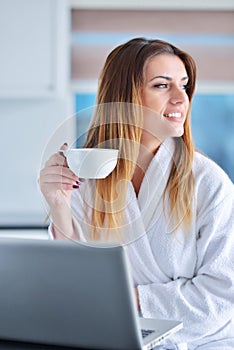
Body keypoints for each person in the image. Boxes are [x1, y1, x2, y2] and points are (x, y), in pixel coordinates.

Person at [39, 38, 234, 349]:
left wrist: (127, 298)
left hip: (201, 343)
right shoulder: (89, 179)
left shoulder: (209, 183)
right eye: (161, 86)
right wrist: (59, 204)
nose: (180, 98)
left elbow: (223, 299)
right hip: (112, 340)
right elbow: (74, 285)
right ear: (124, 97)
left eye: (183, 86)